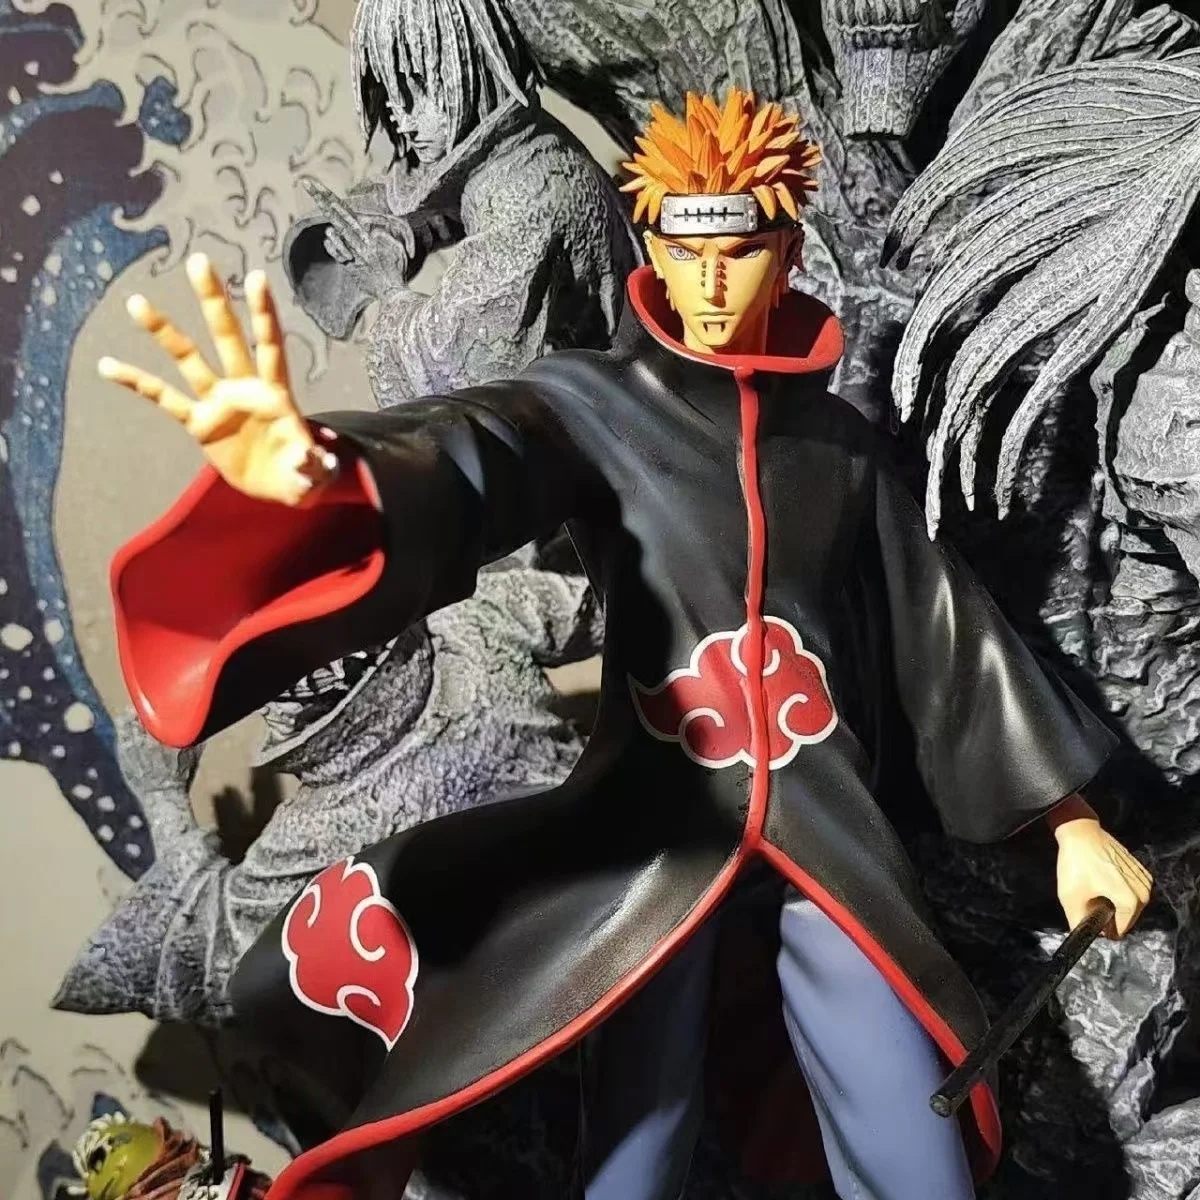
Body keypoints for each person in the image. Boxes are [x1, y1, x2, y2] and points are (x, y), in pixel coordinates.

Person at [99, 89, 1152, 1200]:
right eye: (683, 251)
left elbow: (946, 632)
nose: (709, 283)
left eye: (737, 252)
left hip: (830, 841)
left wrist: (1071, 822)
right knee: (635, 1133)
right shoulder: (593, 404)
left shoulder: (839, 450)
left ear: (787, 254)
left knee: (906, 1120)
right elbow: (477, 450)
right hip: (655, 840)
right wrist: (329, 479)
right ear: (653, 247)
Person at [285, 0, 640, 406]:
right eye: (393, 95)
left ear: (470, 63)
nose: (403, 119)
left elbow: (454, 372)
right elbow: (435, 198)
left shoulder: (525, 193)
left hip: (613, 408)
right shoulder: (520, 145)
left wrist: (386, 285)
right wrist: (389, 232)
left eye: (418, 87)